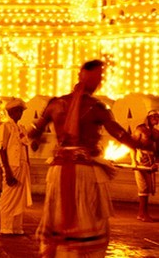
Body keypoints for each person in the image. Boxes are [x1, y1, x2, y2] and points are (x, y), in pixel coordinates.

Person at [28, 59, 143, 257]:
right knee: (90, 222)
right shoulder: (97, 107)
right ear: (86, 76)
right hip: (84, 172)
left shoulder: (54, 104)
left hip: (58, 170)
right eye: (98, 76)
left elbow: (34, 132)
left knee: (59, 219)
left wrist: (39, 139)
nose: (100, 81)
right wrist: (143, 145)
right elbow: (118, 133)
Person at [0, 97, 32, 236]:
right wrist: (8, 171)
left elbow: (26, 147)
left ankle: (17, 227)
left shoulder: (21, 128)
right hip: (11, 165)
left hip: (22, 166)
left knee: (19, 199)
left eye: (21, 111)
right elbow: (2, 149)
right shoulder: (5, 127)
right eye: (17, 111)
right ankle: (6, 227)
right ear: (10, 112)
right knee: (8, 197)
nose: (20, 113)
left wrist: (28, 165)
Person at [131, 109, 159, 222]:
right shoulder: (140, 129)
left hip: (151, 162)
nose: (156, 120)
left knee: (148, 187)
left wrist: (156, 162)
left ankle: (143, 213)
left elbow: (158, 150)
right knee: (143, 187)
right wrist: (134, 161)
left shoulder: (157, 133)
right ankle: (142, 214)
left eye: (158, 117)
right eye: (154, 117)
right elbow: (132, 145)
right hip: (140, 159)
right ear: (148, 118)